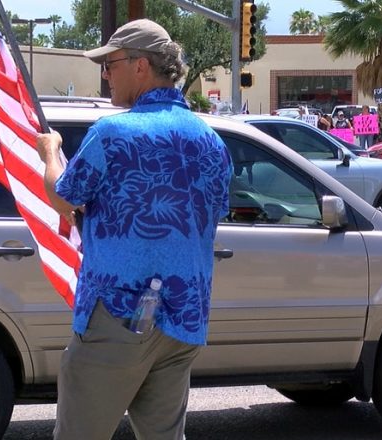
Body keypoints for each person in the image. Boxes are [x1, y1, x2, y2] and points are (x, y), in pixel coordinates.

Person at [35, 19, 232, 440]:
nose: (105, 74)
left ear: (141, 66)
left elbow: (64, 196)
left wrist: (51, 152)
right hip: (183, 317)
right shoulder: (212, 141)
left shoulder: (112, 133)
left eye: (111, 64)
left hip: (119, 315)